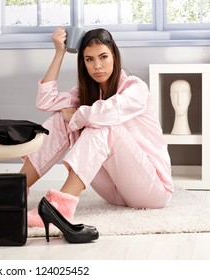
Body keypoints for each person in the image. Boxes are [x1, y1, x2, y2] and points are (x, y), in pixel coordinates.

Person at [21, 27, 174, 227]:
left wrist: (76, 115)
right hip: (114, 192)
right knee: (62, 118)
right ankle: (15, 188)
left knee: (103, 125)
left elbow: (107, 112)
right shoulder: (86, 94)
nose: (97, 66)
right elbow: (45, 101)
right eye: (89, 60)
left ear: (114, 57)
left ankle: (59, 208)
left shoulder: (135, 88)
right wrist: (59, 53)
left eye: (103, 57)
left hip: (152, 189)